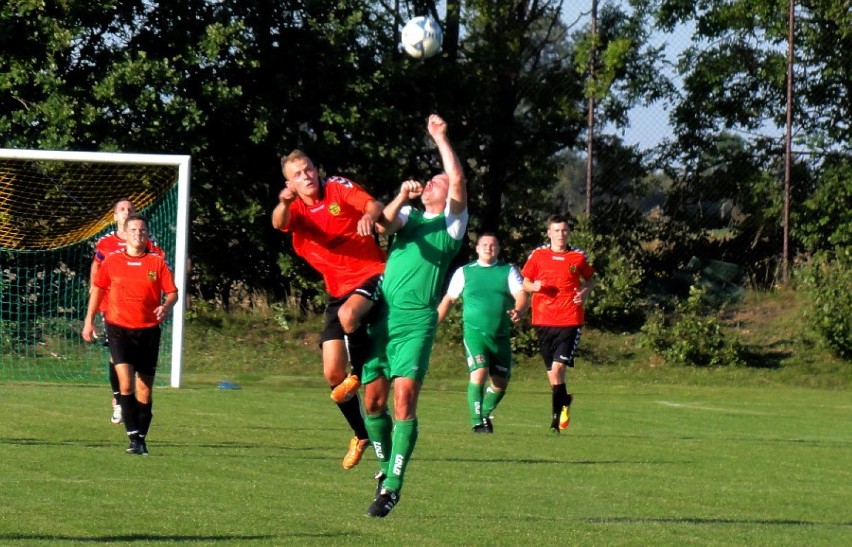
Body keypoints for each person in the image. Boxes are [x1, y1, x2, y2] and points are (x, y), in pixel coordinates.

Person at [362, 114, 468, 517]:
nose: (432, 183)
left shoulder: (451, 225)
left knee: (403, 399)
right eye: (430, 180)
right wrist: (401, 196)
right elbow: (383, 224)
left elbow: (457, 181)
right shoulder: (412, 217)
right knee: (373, 403)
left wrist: (440, 137)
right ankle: (384, 464)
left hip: (416, 323)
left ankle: (392, 485)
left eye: (436, 181)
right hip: (382, 318)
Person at [271, 150, 386, 470]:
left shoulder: (337, 187)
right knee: (332, 374)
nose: (306, 176)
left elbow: (374, 204)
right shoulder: (292, 208)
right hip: (338, 290)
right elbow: (278, 222)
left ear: (316, 169)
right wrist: (283, 202)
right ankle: (361, 435)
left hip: (372, 273)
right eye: (298, 174)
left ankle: (360, 374)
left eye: (308, 169)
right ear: (290, 183)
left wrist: (368, 215)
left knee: (351, 317)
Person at [82, 214, 178, 455]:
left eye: (142, 230)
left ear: (147, 235)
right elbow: (98, 290)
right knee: (126, 382)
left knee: (144, 389)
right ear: (124, 234)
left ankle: (142, 439)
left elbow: (172, 292)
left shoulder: (156, 263)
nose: (138, 233)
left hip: (148, 331)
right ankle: (133, 438)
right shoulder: (112, 262)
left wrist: (165, 307)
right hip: (118, 328)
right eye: (133, 229)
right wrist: (89, 321)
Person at [437, 233, 528, 433]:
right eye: (484, 244)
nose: (489, 248)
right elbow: (449, 299)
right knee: (478, 373)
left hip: (500, 335)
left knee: (500, 383)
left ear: (498, 248)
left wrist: (519, 310)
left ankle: (485, 411)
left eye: (493, 245)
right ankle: (476, 422)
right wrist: (434, 323)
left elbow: (521, 295)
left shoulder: (508, 271)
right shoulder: (464, 272)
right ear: (477, 248)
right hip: (474, 333)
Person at [91, 199, 166, 425]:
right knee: (117, 356)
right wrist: (93, 301)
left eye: (130, 209)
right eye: (121, 210)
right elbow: (96, 272)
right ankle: (119, 401)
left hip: (140, 314)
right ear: (115, 217)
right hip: (111, 308)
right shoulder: (105, 244)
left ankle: (128, 403)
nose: (126, 212)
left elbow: (159, 271)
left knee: (135, 366)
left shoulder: (149, 247)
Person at [520, 214, 595, 435]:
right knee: (553, 375)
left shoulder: (577, 256)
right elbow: (525, 282)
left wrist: (584, 292)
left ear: (568, 232)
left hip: (570, 319)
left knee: (559, 367)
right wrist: (536, 287)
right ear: (549, 233)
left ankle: (554, 422)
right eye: (557, 230)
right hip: (543, 319)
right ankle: (564, 401)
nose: (561, 234)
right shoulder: (538, 255)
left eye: (564, 230)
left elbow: (590, 280)